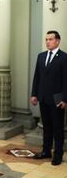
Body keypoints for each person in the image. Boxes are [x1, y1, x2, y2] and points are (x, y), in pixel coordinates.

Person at [31, 30, 67, 166]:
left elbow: (66, 80)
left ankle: (58, 155)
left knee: (58, 128)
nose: (47, 42)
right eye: (46, 39)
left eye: (50, 39)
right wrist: (34, 94)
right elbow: (37, 77)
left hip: (58, 99)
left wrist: (65, 99)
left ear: (57, 41)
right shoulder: (41, 56)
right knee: (47, 127)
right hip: (43, 97)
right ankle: (46, 151)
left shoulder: (64, 57)